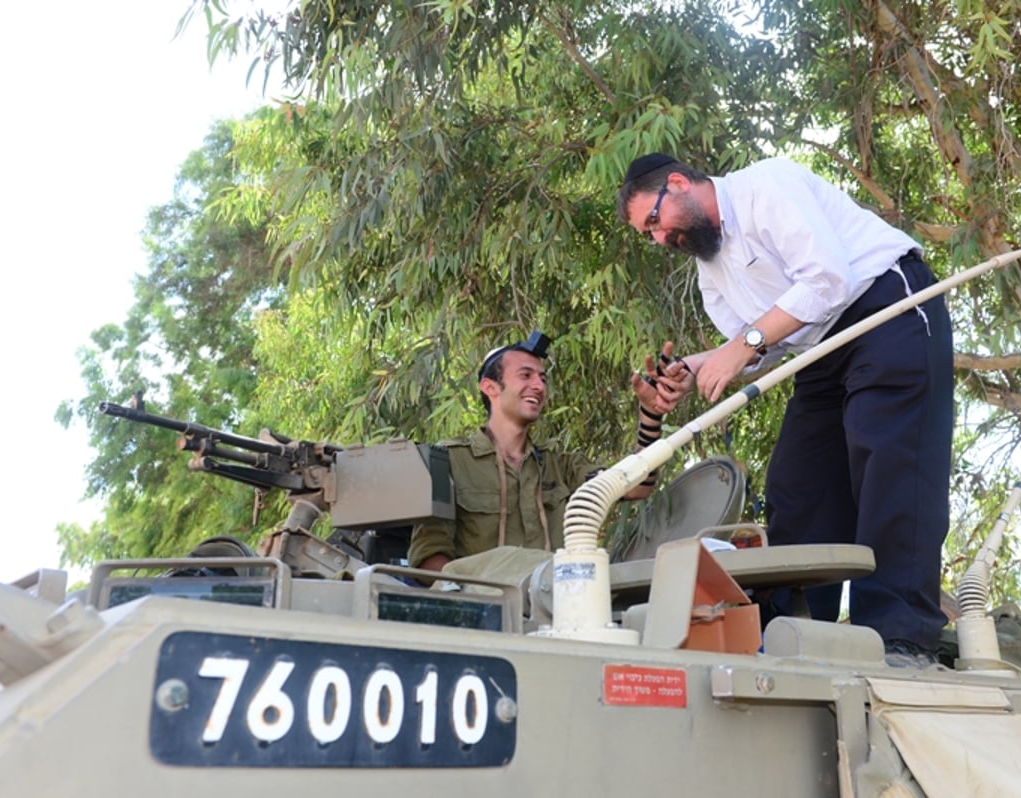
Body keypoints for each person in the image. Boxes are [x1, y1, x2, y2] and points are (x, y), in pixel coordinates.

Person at [617, 153, 955, 668]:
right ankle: (797, 636)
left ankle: (898, 638)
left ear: (680, 184)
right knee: (798, 487)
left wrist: (741, 344)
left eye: (654, 222)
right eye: (649, 235)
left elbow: (828, 281)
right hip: (818, 350)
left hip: (887, 310)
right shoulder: (711, 274)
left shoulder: (764, 186)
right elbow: (762, 348)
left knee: (888, 460)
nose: (660, 240)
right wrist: (691, 367)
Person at [407, 330, 677, 572]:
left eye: (542, 378)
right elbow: (429, 559)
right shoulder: (448, 461)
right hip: (480, 617)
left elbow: (637, 487)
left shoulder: (560, 466)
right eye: (525, 375)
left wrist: (650, 417)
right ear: (490, 387)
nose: (539, 385)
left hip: (555, 611)